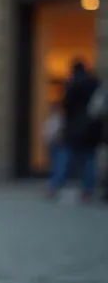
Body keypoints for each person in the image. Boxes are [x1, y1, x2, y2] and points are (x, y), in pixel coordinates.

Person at [47, 59, 101, 203]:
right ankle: (88, 190)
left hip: (74, 127)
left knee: (65, 156)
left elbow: (66, 104)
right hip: (92, 128)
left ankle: (55, 185)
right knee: (88, 158)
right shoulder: (94, 83)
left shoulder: (73, 83)